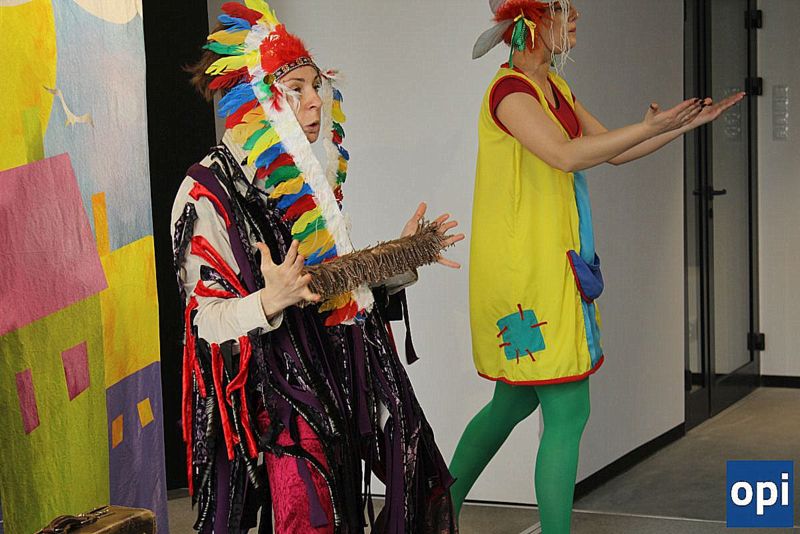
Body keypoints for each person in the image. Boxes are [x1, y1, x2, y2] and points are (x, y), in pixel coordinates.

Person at [449, 1, 744, 532]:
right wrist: (647, 127)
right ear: (530, 21)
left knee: (511, 404)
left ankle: (434, 510)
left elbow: (612, 151)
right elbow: (567, 155)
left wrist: (678, 126)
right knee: (568, 410)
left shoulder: (555, 89)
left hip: (550, 270)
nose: (576, 16)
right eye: (562, 7)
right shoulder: (510, 93)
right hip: (527, 280)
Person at [172, 2, 463, 532]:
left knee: (420, 476)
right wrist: (269, 299)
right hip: (282, 397)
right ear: (258, 100)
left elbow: (331, 283)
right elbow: (203, 322)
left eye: (316, 86)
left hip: (347, 368)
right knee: (311, 517)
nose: (314, 102)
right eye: (296, 89)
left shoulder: (308, 178)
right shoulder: (206, 191)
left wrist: (402, 256)